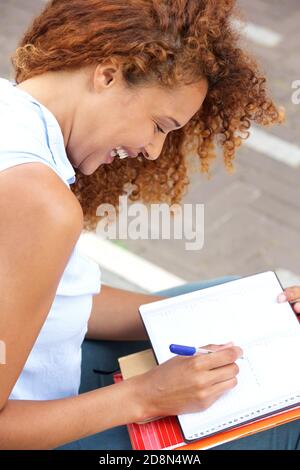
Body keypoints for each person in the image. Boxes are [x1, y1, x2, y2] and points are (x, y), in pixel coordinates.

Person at [0, 0, 298, 450]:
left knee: (235, 288)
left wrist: (245, 314)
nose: (155, 151)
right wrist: (144, 396)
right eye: (160, 125)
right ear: (108, 74)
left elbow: (47, 298)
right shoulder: (40, 203)